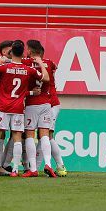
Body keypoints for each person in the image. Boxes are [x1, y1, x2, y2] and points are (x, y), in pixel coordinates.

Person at [0, 40, 48, 177]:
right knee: (17, 137)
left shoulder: (3, 68)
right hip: (18, 108)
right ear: (23, 52)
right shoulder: (28, 69)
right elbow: (45, 77)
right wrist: (41, 63)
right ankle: (15, 170)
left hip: (3, 107)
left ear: (11, 52)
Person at [25, 40, 59, 178]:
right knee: (44, 135)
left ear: (31, 51)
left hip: (32, 103)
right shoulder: (49, 63)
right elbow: (51, 76)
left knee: (29, 135)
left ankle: (33, 168)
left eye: (28, 49)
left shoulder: (25, 63)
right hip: (46, 103)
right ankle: (48, 164)